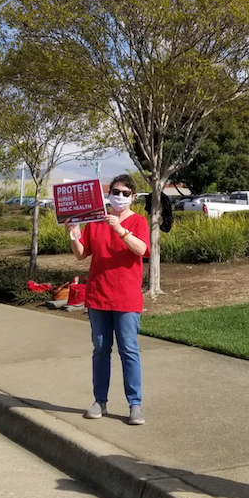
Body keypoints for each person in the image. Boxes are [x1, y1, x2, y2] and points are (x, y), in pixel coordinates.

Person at [66, 174, 150, 426]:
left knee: (129, 350)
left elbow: (142, 250)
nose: (120, 197)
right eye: (116, 191)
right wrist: (73, 234)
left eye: (125, 193)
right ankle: (99, 400)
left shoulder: (138, 222)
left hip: (126, 297)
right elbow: (81, 255)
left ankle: (135, 404)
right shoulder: (95, 222)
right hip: (98, 296)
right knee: (101, 349)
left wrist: (119, 229)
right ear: (108, 193)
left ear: (133, 197)